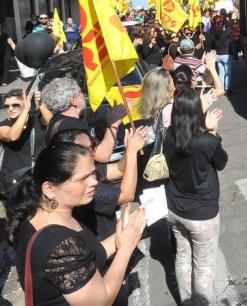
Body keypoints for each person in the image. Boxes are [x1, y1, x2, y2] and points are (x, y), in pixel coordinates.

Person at [5, 141, 146, 305]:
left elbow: (89, 254)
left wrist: (124, 235)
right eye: (83, 178)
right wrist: (125, 249)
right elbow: (99, 302)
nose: (94, 182)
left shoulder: (45, 217)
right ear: (50, 189)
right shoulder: (58, 245)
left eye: (93, 173)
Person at [165, 87, 227, 305]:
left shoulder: (169, 135)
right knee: (203, 267)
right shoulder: (206, 141)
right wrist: (213, 131)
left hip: (175, 209)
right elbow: (222, 161)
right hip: (202, 215)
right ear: (196, 113)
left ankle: (186, 302)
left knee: (182, 258)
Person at [50, 126, 147, 241]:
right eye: (86, 149)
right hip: (103, 244)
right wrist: (131, 153)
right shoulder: (83, 186)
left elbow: (119, 169)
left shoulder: (85, 170)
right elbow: (126, 195)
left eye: (93, 146)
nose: (93, 152)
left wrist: (128, 148)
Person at [41, 77, 126, 163]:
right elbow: (103, 155)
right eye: (81, 91)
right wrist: (113, 124)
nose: (84, 95)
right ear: (73, 101)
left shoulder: (56, 120)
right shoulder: (73, 126)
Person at [0, 90, 39, 189]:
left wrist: (41, 104)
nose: (10, 109)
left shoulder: (35, 119)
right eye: (6, 106)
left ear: (25, 103)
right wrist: (25, 111)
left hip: (36, 175)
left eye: (15, 105)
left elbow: (51, 122)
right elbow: (12, 136)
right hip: (13, 179)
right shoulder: (3, 125)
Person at [208, 20, 234, 94]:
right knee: (228, 74)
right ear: (223, 27)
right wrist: (226, 24)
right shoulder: (225, 34)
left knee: (221, 73)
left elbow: (213, 45)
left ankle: (221, 88)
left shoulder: (214, 34)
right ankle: (227, 89)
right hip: (226, 55)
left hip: (218, 56)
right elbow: (230, 28)